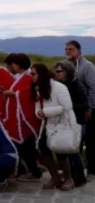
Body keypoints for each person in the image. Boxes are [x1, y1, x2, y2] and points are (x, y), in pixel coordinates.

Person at [33, 63, 79, 191]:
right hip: (48, 124)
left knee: (61, 151)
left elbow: (67, 106)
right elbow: (38, 106)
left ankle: (69, 179)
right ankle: (55, 177)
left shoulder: (59, 87)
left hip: (62, 123)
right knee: (43, 148)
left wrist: (46, 112)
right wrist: (39, 113)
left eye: (34, 73)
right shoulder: (39, 88)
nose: (32, 76)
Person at [1, 53, 42, 182]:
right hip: (17, 118)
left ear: (18, 65)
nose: (9, 67)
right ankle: (26, 170)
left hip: (25, 119)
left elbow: (28, 95)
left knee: (27, 147)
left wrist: (13, 94)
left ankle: (34, 171)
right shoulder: (21, 78)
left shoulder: (28, 77)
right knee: (22, 147)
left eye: (11, 65)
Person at [53, 60, 89, 186]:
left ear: (67, 72)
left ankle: (78, 178)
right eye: (55, 71)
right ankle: (70, 176)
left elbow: (84, 105)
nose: (56, 74)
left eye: (59, 71)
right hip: (64, 122)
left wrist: (66, 106)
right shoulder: (60, 85)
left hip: (75, 122)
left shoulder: (76, 86)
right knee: (64, 150)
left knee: (72, 151)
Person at [65, 40, 95, 178]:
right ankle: (75, 170)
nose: (67, 51)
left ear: (78, 50)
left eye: (71, 49)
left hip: (87, 109)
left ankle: (92, 170)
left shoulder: (87, 67)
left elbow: (93, 87)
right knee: (75, 140)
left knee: (90, 140)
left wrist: (89, 108)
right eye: (66, 49)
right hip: (72, 110)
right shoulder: (66, 66)